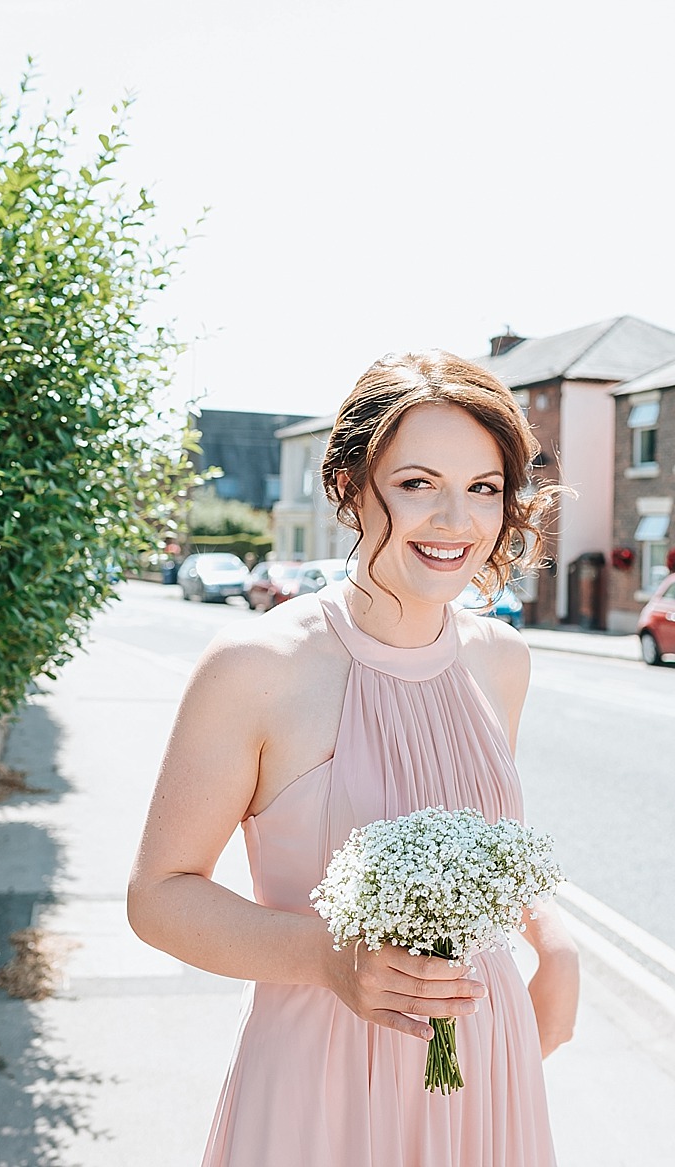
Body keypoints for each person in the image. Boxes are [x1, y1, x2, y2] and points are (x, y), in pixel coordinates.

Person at [128, 350, 578, 1165]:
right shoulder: (257, 667)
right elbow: (158, 896)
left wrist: (556, 940)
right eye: (417, 483)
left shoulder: (502, 661)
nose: (457, 519)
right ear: (347, 485)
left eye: (483, 487)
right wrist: (327, 959)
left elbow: (478, 847)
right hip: (322, 1085)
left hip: (484, 1065)